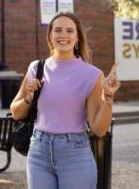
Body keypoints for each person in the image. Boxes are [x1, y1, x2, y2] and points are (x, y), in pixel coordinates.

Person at [10, 12, 121, 189]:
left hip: (75, 154)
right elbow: (16, 112)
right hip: (38, 151)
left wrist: (108, 96)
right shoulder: (36, 68)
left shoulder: (92, 74)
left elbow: (99, 129)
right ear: (50, 36)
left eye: (70, 31)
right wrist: (28, 99)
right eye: (58, 30)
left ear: (77, 38)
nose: (63, 35)